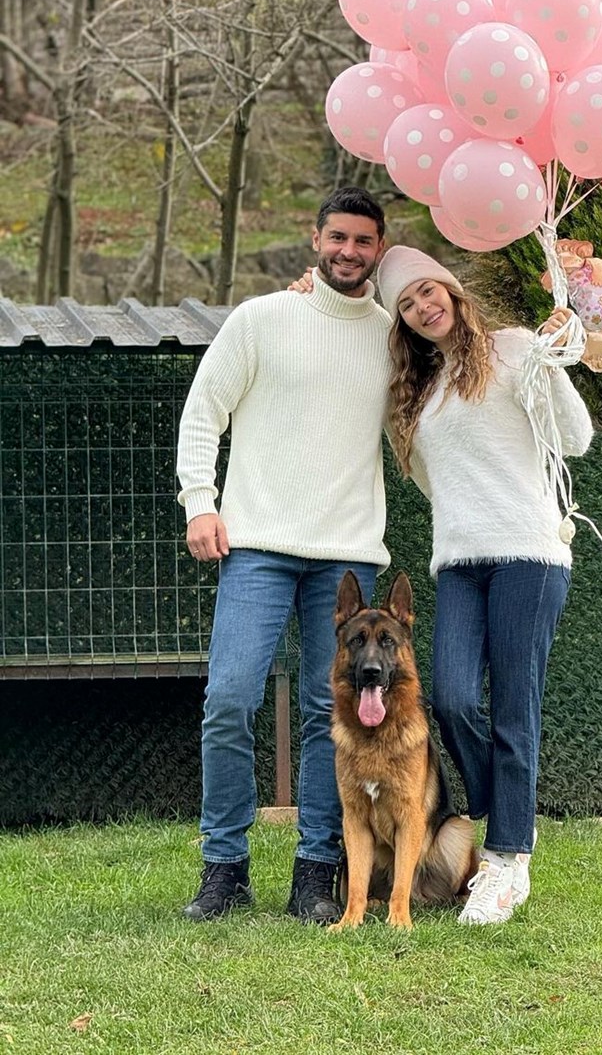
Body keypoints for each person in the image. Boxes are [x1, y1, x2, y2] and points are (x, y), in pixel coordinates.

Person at [293, 245, 593, 924]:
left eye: (428, 291)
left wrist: (553, 361)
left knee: (514, 709)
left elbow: (575, 438)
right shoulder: (417, 390)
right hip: (458, 562)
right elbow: (436, 483)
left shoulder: (514, 348)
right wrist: (316, 295)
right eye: (406, 303)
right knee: (452, 699)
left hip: (530, 556)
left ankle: (508, 859)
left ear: (453, 292)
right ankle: (504, 803)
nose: (422, 306)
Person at [175, 186, 391, 924]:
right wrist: (199, 501)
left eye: (363, 241)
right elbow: (204, 410)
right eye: (338, 237)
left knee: (330, 714)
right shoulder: (261, 319)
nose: (348, 251)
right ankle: (224, 869)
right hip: (257, 546)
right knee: (229, 698)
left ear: (379, 251)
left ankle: (315, 873)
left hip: (347, 556)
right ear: (315, 238)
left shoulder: (391, 338)